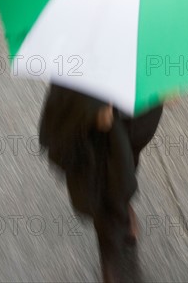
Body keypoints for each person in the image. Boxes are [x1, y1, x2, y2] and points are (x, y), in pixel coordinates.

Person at [38, 84, 164, 283]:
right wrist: (93, 107)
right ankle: (112, 244)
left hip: (141, 93)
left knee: (127, 155)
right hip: (96, 95)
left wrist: (166, 83)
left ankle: (121, 201)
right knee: (104, 177)